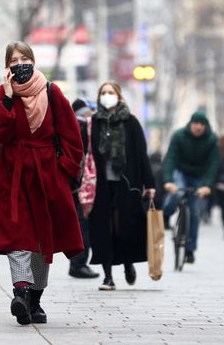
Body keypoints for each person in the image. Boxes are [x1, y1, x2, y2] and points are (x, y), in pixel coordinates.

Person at [0, 41, 84, 326]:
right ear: (7, 66)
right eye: (13, 60)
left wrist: (64, 170)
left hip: (47, 175)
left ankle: (35, 300)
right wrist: (6, 99)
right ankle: (21, 292)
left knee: (43, 238)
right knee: (17, 234)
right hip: (12, 174)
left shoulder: (52, 92)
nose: (19, 64)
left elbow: (71, 136)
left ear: (33, 60)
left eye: (24, 58)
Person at [87, 82, 156, 290]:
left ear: (119, 96)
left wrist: (149, 183)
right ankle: (108, 276)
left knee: (124, 228)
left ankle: (128, 263)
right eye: (103, 93)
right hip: (100, 185)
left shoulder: (131, 122)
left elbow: (141, 155)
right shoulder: (93, 124)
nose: (107, 96)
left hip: (127, 184)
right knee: (103, 230)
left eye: (111, 93)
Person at [161, 111, 219, 264]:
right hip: (180, 172)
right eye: (196, 123)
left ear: (205, 126)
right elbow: (171, 158)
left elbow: (213, 165)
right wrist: (168, 181)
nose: (198, 127)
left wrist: (207, 186)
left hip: (199, 176)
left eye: (202, 124)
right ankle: (166, 215)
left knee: (194, 211)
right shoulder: (179, 136)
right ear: (190, 123)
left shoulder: (212, 140)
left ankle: (190, 249)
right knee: (176, 192)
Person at [68, 98, 100, 279]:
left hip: (75, 183)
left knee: (80, 223)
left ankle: (78, 263)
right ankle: (78, 264)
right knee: (82, 224)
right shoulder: (82, 127)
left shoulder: (71, 125)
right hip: (81, 184)